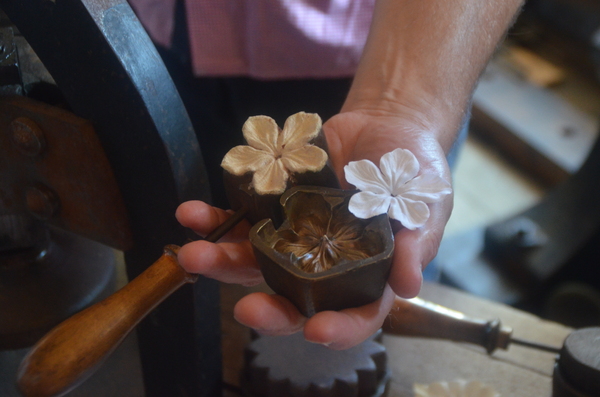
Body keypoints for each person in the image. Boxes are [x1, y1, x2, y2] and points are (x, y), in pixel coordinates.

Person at [131, 0, 525, 350]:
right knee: (221, 292)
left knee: (395, 304)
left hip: (388, 53)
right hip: (170, 46)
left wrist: (403, 104)